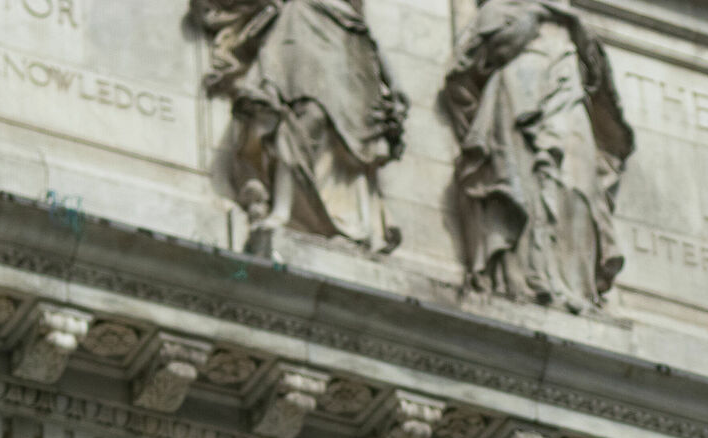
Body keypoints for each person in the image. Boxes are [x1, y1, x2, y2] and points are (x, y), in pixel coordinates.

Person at [442, 0, 634, 312]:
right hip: (519, 94)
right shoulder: (499, 9)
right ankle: (528, 280)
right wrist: (530, 19)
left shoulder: (573, 23)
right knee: (526, 186)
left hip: (568, 90)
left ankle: (575, 284)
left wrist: (582, 40)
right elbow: (474, 64)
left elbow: (598, 84)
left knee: (578, 188)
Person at [193, 0, 408, 254]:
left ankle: (344, 222)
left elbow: (368, 43)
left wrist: (393, 83)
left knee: (336, 135)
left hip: (345, 59)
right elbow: (278, 50)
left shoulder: (350, 16)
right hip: (306, 34)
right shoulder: (298, 10)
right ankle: (283, 210)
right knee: (303, 121)